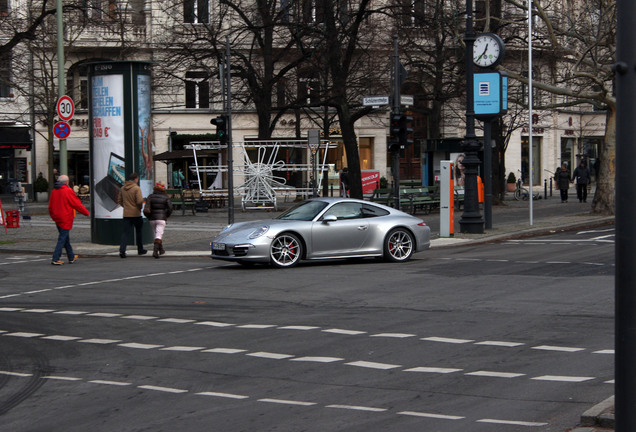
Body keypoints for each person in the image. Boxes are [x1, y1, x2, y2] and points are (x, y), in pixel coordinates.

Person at [48, 174, 90, 265]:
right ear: (67, 182)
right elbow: (76, 204)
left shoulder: (54, 191)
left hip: (57, 217)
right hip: (65, 217)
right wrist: (86, 213)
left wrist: (53, 216)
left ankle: (71, 256)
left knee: (65, 237)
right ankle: (55, 258)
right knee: (62, 238)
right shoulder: (67, 191)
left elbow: (50, 206)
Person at [118, 172, 147, 258]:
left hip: (126, 213)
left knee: (125, 233)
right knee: (138, 232)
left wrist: (126, 206)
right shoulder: (136, 188)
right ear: (136, 179)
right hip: (136, 214)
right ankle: (140, 249)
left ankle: (122, 250)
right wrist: (139, 207)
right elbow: (139, 201)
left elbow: (119, 200)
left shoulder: (123, 188)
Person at [146, 181, 173, 258]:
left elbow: (147, 208)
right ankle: (155, 251)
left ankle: (161, 250)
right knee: (158, 235)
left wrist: (149, 216)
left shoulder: (150, 196)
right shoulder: (166, 197)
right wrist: (166, 215)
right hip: (161, 218)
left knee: (157, 234)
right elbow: (170, 208)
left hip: (152, 218)